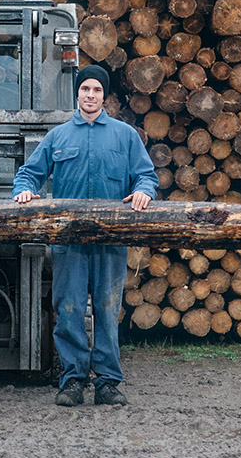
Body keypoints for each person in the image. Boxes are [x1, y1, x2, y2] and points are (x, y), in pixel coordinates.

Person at [12, 65, 159, 407]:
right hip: (69, 243)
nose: (90, 95)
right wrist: (24, 190)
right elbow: (28, 174)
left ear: (104, 96)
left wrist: (144, 191)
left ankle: (107, 383)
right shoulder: (58, 137)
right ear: (77, 93)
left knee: (107, 310)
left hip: (110, 241)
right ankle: (73, 380)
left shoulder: (125, 136)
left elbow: (146, 176)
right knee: (69, 309)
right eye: (85, 89)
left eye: (96, 90)